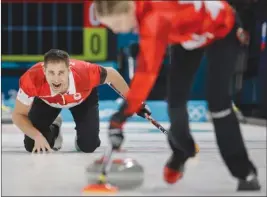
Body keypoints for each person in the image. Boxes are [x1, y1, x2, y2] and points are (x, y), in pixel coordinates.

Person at [94, 0, 261, 191]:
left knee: (218, 104)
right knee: (174, 103)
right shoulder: (148, 16)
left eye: (115, 24)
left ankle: (245, 173)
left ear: (129, 9)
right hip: (187, 36)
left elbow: (146, 75)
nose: (115, 31)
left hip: (222, 29)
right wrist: (121, 117)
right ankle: (183, 151)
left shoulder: (155, 18)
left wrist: (120, 118)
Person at [12, 49, 150, 154]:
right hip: (48, 102)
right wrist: (36, 136)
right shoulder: (31, 79)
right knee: (33, 146)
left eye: (61, 73)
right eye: (51, 73)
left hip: (83, 99)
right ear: (44, 70)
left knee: (88, 147)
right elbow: (18, 115)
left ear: (69, 70)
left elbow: (112, 74)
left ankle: (83, 138)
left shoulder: (85, 73)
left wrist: (135, 102)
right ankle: (54, 128)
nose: (56, 79)